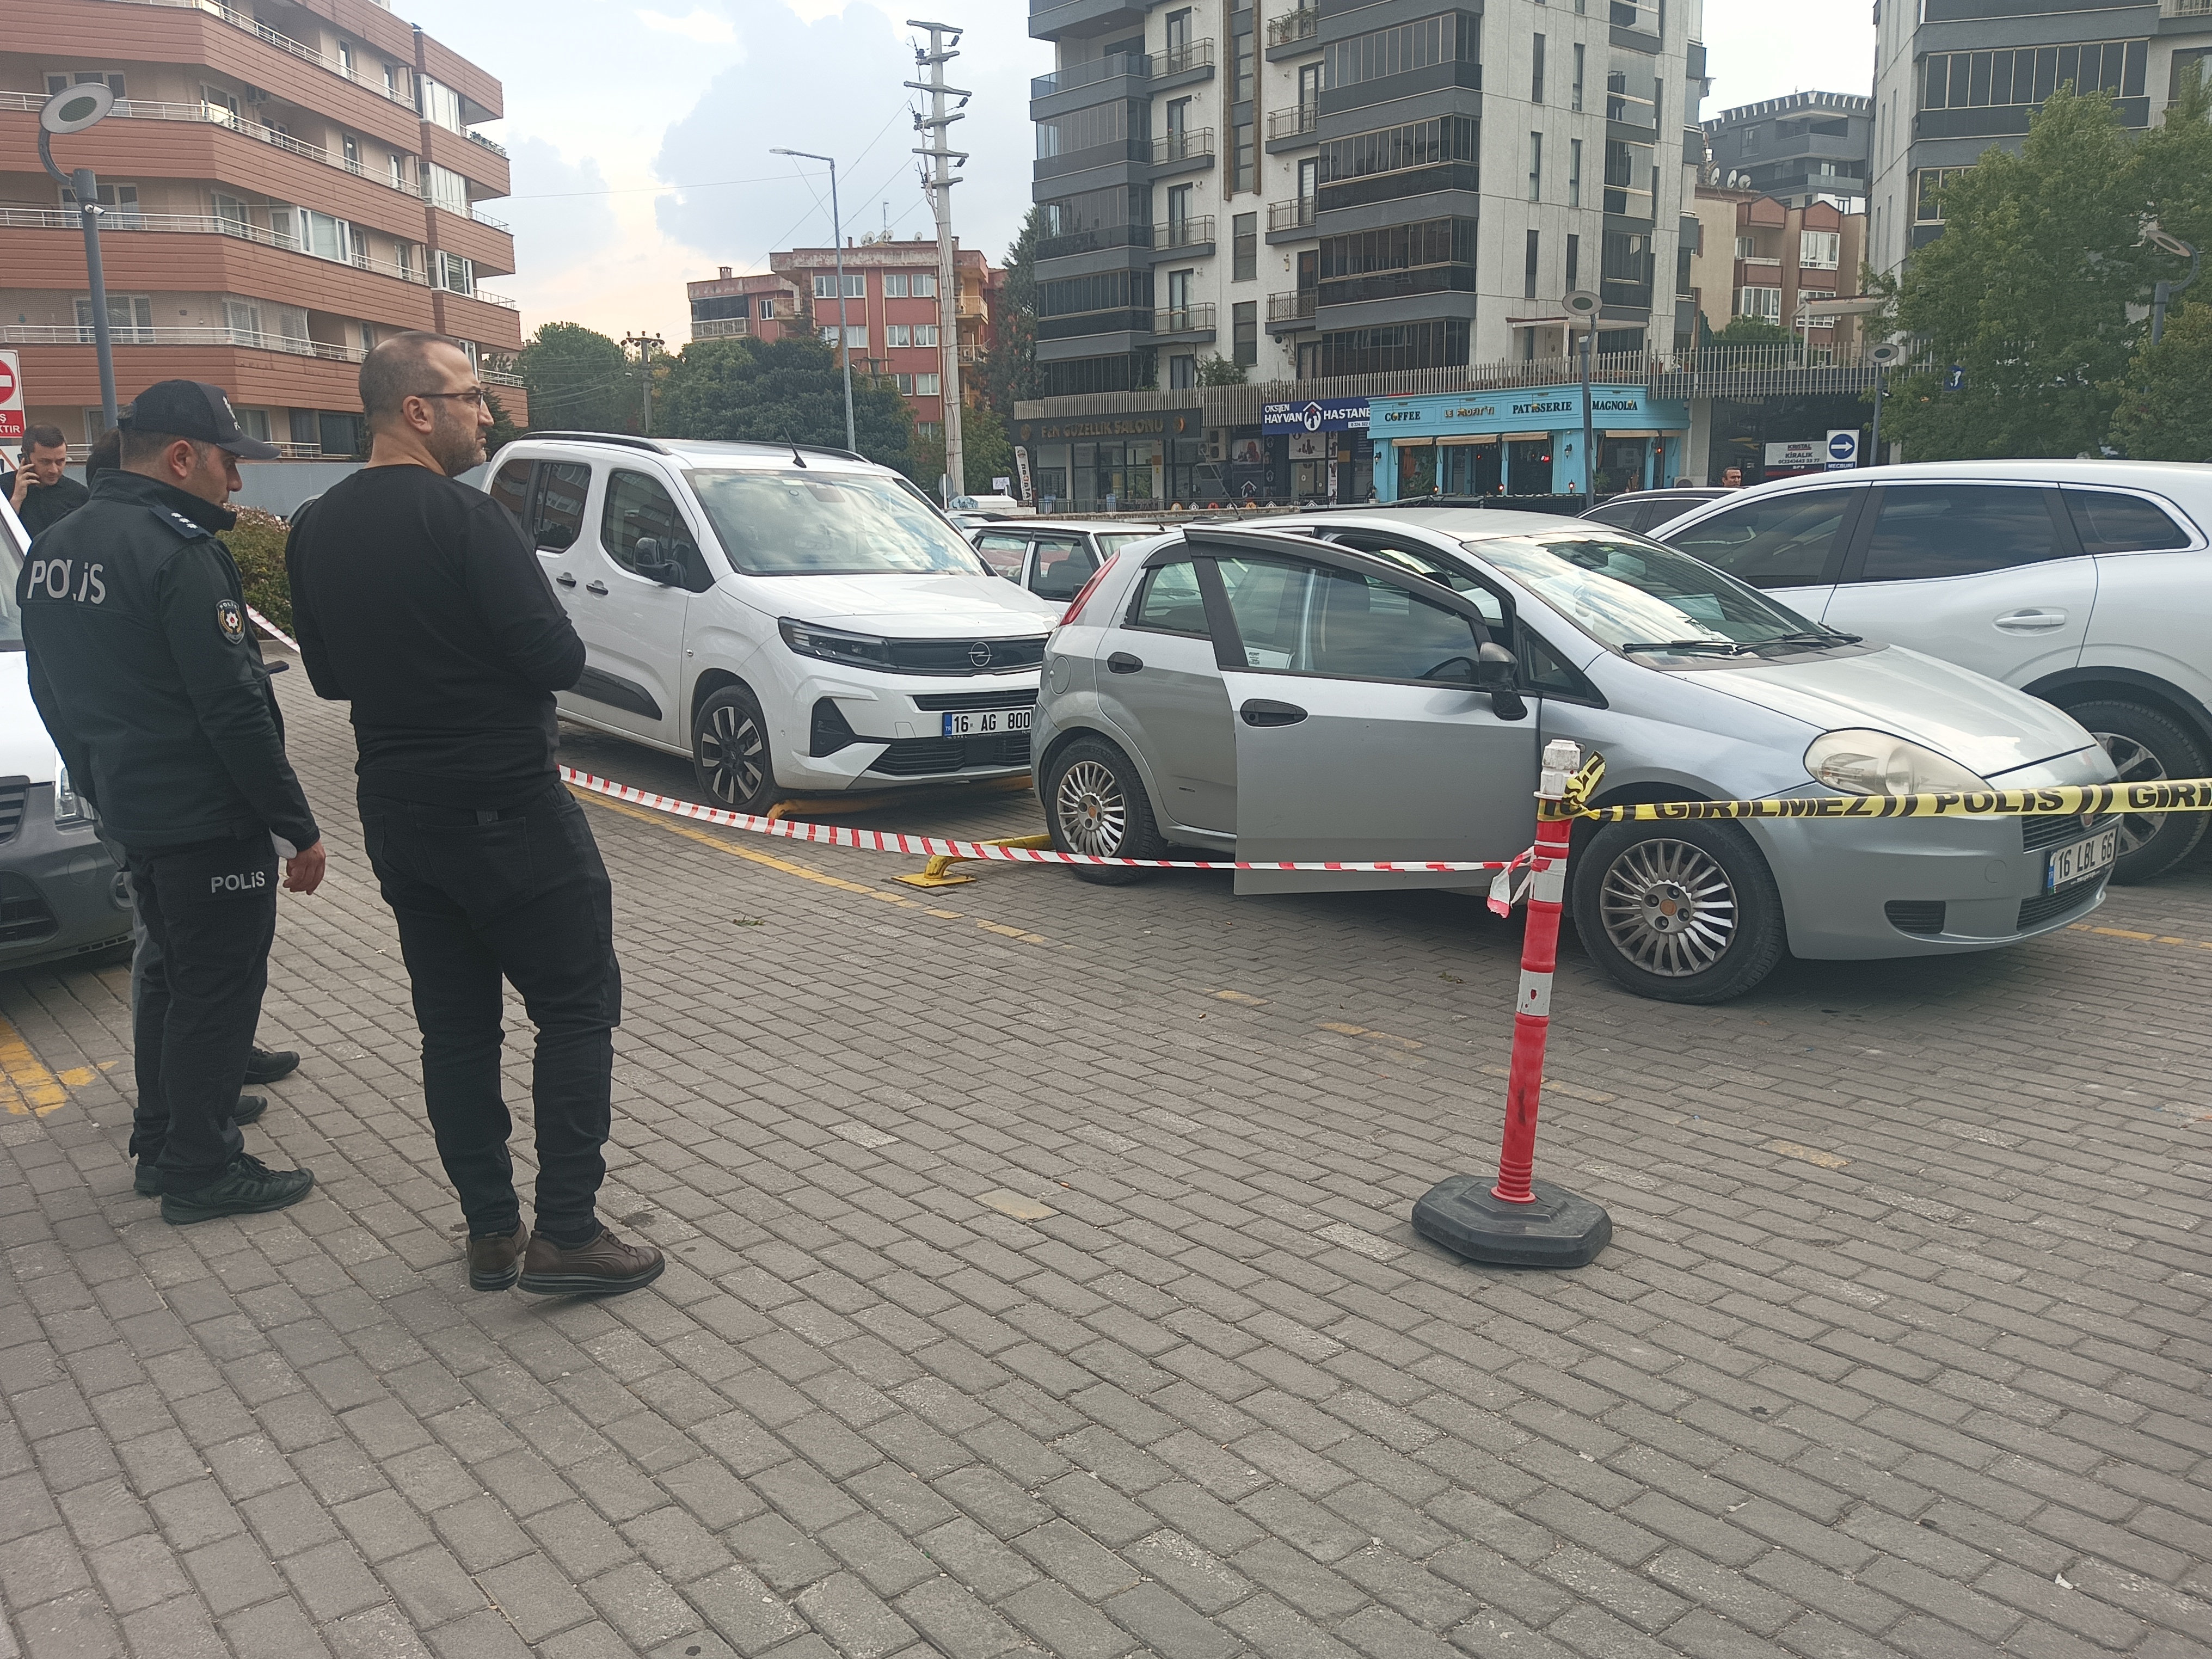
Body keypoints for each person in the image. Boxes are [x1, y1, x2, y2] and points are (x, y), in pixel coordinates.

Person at [286, 332, 661, 1298]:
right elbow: (555, 659)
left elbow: (326, 677)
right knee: (575, 1007)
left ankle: (492, 1231)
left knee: (455, 1029)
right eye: (471, 396)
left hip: (400, 817)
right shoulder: (471, 521)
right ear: (417, 409)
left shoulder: (316, 528)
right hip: (510, 808)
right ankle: (568, 1232)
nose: (485, 414)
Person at [20, 381, 324, 1223]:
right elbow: (233, 707)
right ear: (182, 457)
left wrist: (95, 781)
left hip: (129, 807)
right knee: (215, 988)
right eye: (231, 464)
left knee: (167, 974)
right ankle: (200, 1164)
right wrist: (295, 824)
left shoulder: (55, 546)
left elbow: (51, 692)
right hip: (204, 820)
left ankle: (166, 1130)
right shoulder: (178, 552)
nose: (238, 485)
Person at [4, 426, 90, 540]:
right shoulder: (3, 488)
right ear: (25, 456)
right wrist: (16, 501)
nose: (54, 470)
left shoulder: (80, 495)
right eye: (45, 462)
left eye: (61, 461)